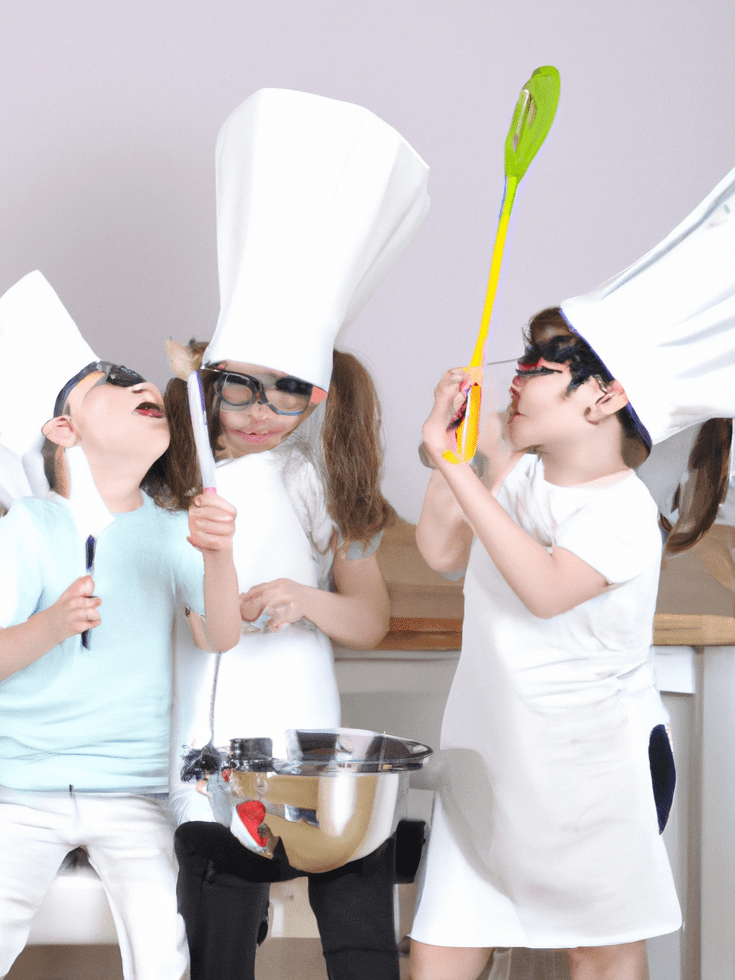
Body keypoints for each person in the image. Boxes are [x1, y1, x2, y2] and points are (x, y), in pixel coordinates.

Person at [409, 167, 735, 980]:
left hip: (592, 774)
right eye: (523, 356)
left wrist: (464, 471)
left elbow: (546, 589)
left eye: (546, 363)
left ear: (605, 396)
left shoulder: (623, 511)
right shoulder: (515, 475)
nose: (517, 373)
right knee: (438, 952)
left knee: (600, 952)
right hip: (488, 764)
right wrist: (462, 458)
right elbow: (441, 553)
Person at [165, 88, 430, 980]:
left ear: (317, 395)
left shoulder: (316, 482)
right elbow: (213, 631)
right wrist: (220, 556)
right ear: (210, 376)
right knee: (222, 938)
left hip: (315, 745)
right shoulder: (170, 492)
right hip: (209, 758)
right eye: (241, 386)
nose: (262, 413)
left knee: (359, 931)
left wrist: (306, 595)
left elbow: (370, 622)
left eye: (291, 393)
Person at [0, 270, 241, 980]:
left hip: (131, 791)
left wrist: (218, 556)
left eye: (142, 381)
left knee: (165, 937)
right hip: (22, 793)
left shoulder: (171, 531)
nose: (141, 387)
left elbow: (218, 634)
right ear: (63, 430)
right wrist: (50, 625)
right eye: (113, 380)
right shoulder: (25, 530)